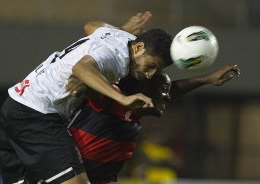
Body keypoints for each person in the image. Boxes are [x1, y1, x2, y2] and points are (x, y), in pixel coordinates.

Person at [0, 11, 176, 184]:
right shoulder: (116, 57)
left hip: (16, 103)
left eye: (156, 70)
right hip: (36, 114)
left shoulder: (121, 38)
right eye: (151, 65)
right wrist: (122, 99)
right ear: (138, 48)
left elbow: (91, 26)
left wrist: (121, 29)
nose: (150, 74)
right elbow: (81, 68)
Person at [67, 64, 240, 184]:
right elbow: (94, 89)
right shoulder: (116, 99)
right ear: (143, 90)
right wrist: (83, 85)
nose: (167, 96)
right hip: (63, 174)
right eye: (164, 90)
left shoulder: (133, 113)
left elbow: (172, 92)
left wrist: (207, 79)